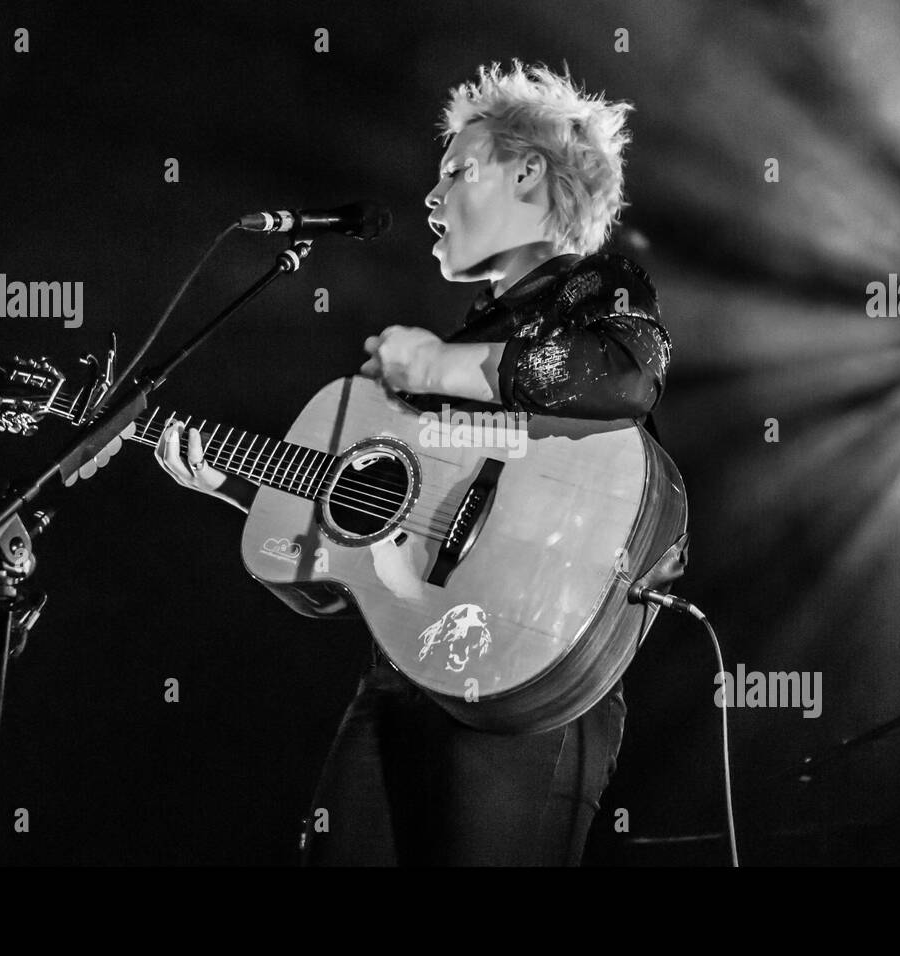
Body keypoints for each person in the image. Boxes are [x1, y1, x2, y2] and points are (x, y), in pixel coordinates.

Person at [153, 60, 672, 865]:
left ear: (530, 172)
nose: (431, 198)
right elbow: (347, 573)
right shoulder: (454, 348)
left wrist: (435, 370)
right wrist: (230, 485)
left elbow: (625, 374)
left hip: (526, 677)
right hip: (406, 673)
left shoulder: (597, 283)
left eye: (457, 172)